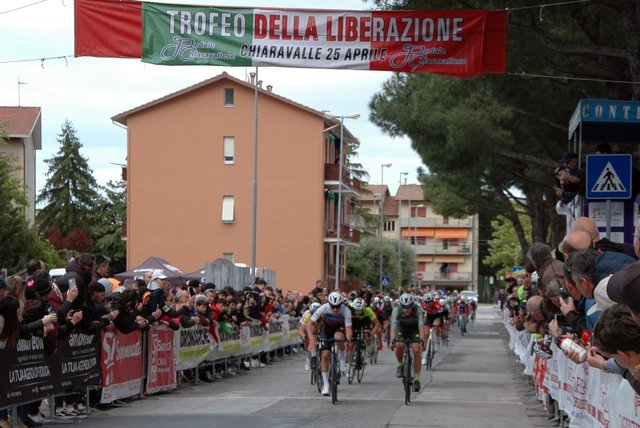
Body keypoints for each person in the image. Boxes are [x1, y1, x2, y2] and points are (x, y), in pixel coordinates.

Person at [307, 292, 353, 396]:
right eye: (333, 307)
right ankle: (326, 384)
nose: (335, 309)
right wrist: (311, 339)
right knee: (325, 355)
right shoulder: (323, 308)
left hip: (339, 329)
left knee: (339, 337)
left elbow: (348, 328)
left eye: (337, 307)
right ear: (329, 304)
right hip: (326, 330)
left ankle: (342, 359)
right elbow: (309, 324)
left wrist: (348, 341)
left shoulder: (346, 310)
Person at [389, 293, 425, 392]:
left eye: (409, 307)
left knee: (416, 349)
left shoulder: (418, 310)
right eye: (404, 307)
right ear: (401, 305)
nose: (407, 309)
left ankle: (417, 379)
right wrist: (392, 340)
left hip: (414, 330)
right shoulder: (396, 310)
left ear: (412, 305)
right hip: (401, 329)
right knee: (399, 344)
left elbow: (421, 327)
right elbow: (393, 327)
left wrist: (422, 341)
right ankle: (400, 365)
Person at [347, 297, 381, 365]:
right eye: (356, 310)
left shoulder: (368, 310)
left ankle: (368, 349)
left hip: (365, 319)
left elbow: (377, 323)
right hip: (354, 320)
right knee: (350, 344)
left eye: (360, 310)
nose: (358, 312)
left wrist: (372, 333)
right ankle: (350, 364)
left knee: (367, 334)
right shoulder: (349, 308)